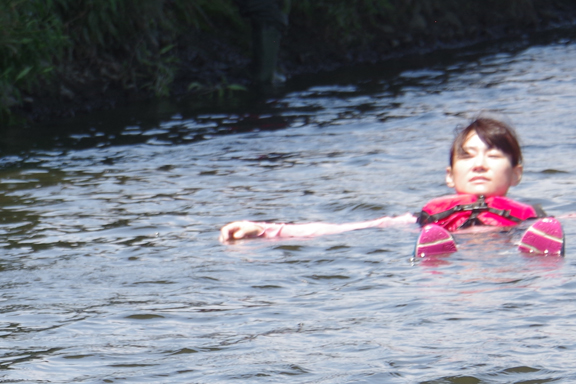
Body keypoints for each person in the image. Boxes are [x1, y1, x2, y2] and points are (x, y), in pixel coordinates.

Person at [218, 116, 565, 253]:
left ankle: (538, 254)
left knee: (543, 233)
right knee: (430, 243)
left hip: (512, 241)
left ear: (516, 173)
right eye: (468, 156)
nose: (479, 164)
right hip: (446, 243)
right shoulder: (427, 218)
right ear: (450, 175)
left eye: (493, 156)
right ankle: (436, 257)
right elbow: (345, 228)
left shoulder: (530, 218)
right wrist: (263, 229)